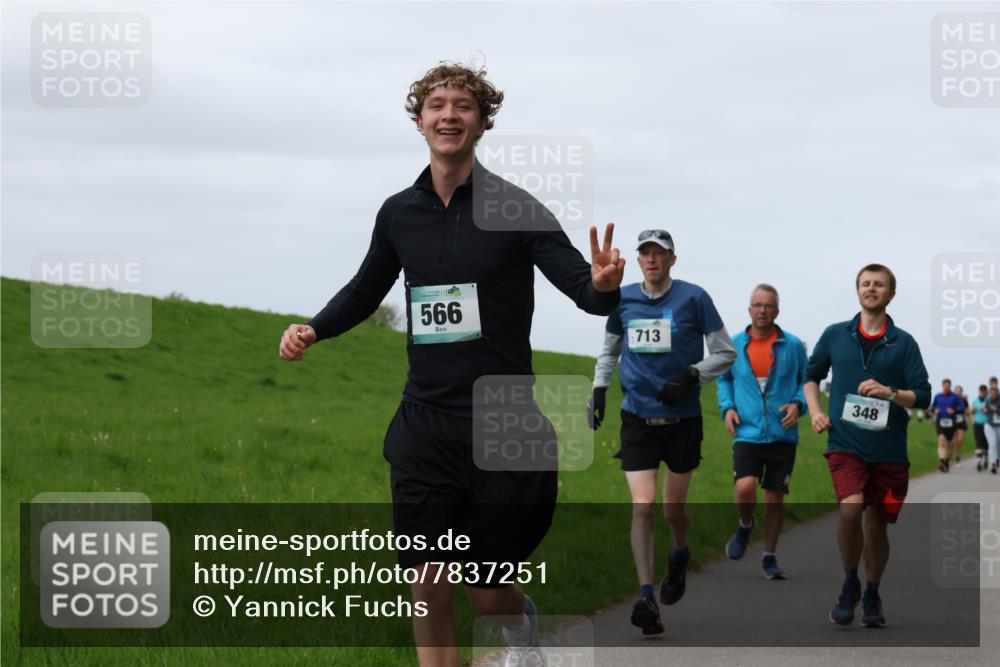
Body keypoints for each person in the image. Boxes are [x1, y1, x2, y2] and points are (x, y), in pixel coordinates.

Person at [279, 63, 625, 667]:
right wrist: (316, 327)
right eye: (436, 105)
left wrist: (604, 286)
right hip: (425, 424)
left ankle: (520, 632)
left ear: (482, 122)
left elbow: (584, 291)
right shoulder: (398, 214)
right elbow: (366, 289)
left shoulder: (518, 209)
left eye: (463, 105)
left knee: (488, 595)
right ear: (418, 121)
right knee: (427, 579)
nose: (448, 115)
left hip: (504, 426)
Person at [588, 229, 735, 635]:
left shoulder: (695, 298)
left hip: (682, 420)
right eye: (646, 254)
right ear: (638, 261)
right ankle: (647, 597)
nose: (652, 260)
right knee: (643, 507)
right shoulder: (623, 299)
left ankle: (681, 554)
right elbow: (610, 349)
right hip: (637, 418)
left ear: (672, 259)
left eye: (660, 254)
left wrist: (692, 375)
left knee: (672, 511)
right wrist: (599, 388)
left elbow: (725, 352)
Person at [804, 263, 930, 628]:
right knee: (849, 510)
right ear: (857, 290)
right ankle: (849, 582)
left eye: (879, 285)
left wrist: (890, 393)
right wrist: (814, 411)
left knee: (877, 525)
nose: (871, 289)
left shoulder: (904, 343)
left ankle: (872, 591)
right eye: (865, 284)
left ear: (891, 294)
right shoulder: (835, 335)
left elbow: (922, 396)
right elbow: (811, 377)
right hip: (845, 444)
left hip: (889, 453)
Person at [717, 284, 808, 580]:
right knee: (745, 487)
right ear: (749, 310)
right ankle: (746, 525)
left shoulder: (792, 345)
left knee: (774, 497)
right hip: (747, 431)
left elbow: (805, 382)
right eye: (757, 305)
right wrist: (727, 407)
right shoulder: (735, 344)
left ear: (777, 312)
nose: (762, 311)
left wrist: (798, 404)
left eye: (768, 306)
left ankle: (769, 556)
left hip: (782, 433)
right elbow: (724, 381)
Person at [930, 379, 964, 473]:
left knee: (950, 444)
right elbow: (932, 407)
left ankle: (946, 462)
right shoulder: (938, 396)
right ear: (942, 386)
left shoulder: (956, 397)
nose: (946, 388)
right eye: (945, 386)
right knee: (941, 441)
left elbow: (961, 408)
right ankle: (942, 461)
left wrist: (954, 411)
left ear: (950, 386)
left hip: (952, 423)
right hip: (940, 422)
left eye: (948, 387)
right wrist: (935, 410)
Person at [971, 385, 991, 472]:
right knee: (979, 442)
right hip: (977, 423)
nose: (982, 393)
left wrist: (987, 409)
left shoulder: (989, 400)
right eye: (981, 391)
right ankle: (979, 462)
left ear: (986, 392)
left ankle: (986, 458)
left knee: (986, 443)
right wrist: (974, 410)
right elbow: (971, 411)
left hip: (988, 424)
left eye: (984, 391)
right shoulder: (975, 400)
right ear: (979, 391)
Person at [952, 385, 970, 467]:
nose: (958, 392)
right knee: (953, 442)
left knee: (960, 440)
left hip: (961, 422)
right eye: (956, 391)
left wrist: (967, 412)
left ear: (961, 392)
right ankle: (949, 457)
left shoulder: (964, 400)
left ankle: (958, 458)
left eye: (959, 391)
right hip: (952, 422)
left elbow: (967, 410)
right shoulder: (951, 399)